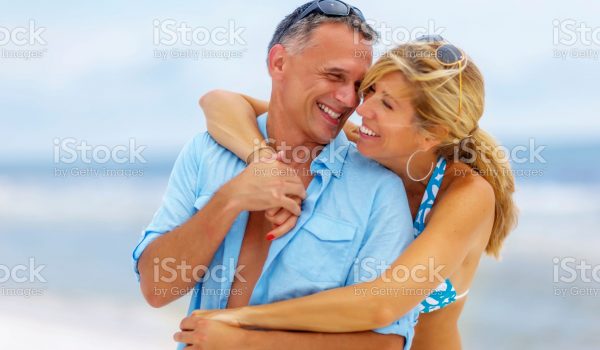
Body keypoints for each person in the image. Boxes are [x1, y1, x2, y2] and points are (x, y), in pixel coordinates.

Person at [185, 34, 518, 349]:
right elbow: (218, 101)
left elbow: (382, 303)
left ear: (433, 132)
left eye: (386, 105)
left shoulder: (467, 193)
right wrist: (263, 163)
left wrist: (241, 319)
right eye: (370, 91)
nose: (361, 109)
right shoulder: (368, 143)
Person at [133, 1, 420, 349]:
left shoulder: (378, 189)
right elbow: (157, 288)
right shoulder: (206, 152)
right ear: (279, 62)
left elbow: (387, 342)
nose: (349, 100)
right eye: (334, 76)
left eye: (359, 85)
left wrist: (245, 342)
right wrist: (230, 199)